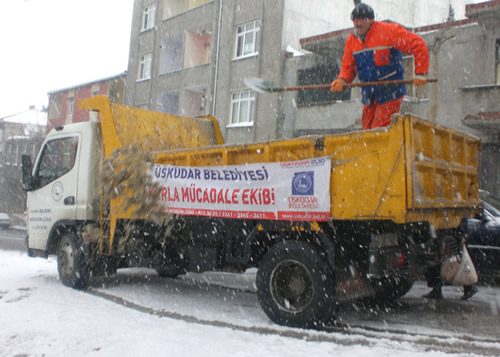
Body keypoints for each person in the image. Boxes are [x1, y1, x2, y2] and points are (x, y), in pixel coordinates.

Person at [330, 3, 429, 130]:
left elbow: (419, 44)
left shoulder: (388, 31)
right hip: (369, 97)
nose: (357, 24)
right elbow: (348, 66)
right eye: (354, 20)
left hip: (391, 92)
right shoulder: (352, 41)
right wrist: (342, 80)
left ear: (370, 20)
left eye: (360, 20)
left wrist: (421, 73)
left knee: (378, 131)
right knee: (367, 133)